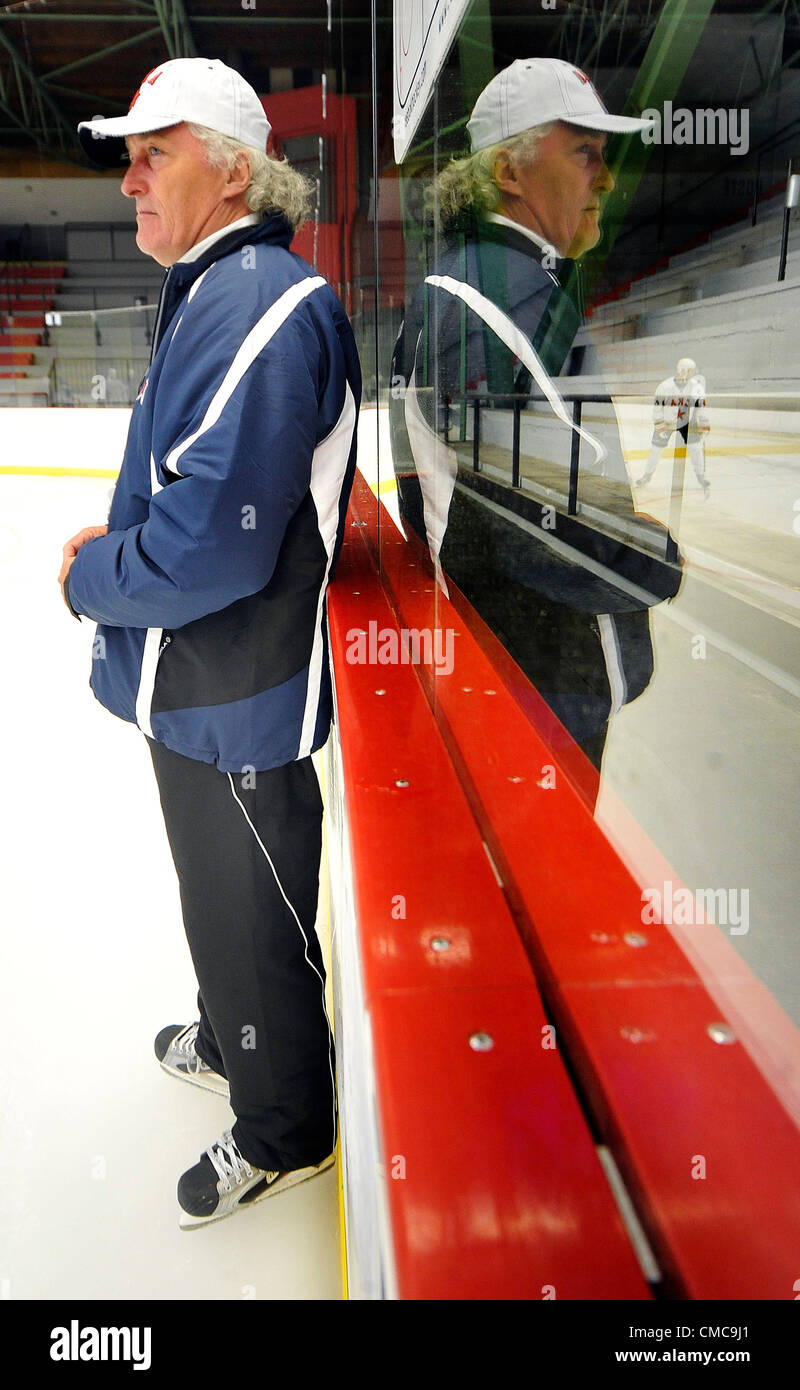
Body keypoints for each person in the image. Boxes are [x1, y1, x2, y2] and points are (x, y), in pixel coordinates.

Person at [58, 57, 361, 1228]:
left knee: (250, 905)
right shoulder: (214, 285)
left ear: (232, 168)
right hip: (197, 684)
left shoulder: (256, 303)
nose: (128, 176)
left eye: (154, 151)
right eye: (126, 153)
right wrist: (124, 539)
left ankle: (288, 1125)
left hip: (235, 690)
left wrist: (92, 576)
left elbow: (216, 550)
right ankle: (238, 1039)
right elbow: (196, 492)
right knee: (216, 894)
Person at [390, 58, 679, 791]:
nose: (606, 178)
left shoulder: (467, 282)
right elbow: (524, 524)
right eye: (584, 151)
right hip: (543, 691)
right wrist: (653, 555)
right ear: (509, 173)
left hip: (509, 674)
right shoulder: (508, 304)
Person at [635, 357, 710, 495]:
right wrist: (659, 423)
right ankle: (647, 474)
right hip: (667, 422)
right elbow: (657, 406)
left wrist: (703, 423)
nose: (692, 373)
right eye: (690, 370)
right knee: (655, 449)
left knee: (696, 449)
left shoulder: (696, 387)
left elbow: (701, 407)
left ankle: (700, 476)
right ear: (683, 370)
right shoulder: (665, 386)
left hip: (688, 422)